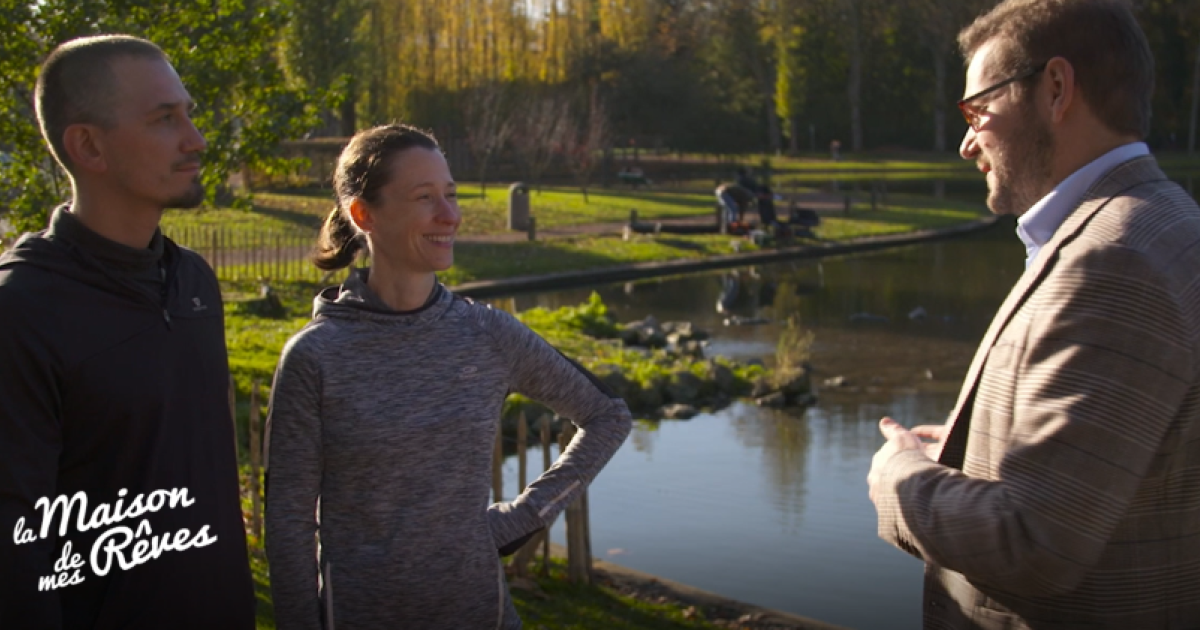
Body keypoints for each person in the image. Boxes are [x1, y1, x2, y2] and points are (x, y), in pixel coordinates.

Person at [867, 1, 1200, 627]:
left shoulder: (1114, 260)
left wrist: (898, 475)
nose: (967, 143)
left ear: (1055, 89)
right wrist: (970, 452)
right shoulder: (1166, 222)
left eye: (977, 109)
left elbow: (1035, 543)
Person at [263, 124, 632, 630]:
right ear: (364, 214)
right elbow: (288, 524)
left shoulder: (487, 333)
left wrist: (526, 516)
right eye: (425, 197)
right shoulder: (315, 356)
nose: (450, 215)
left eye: (451, 195)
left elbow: (607, 417)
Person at [0, 36, 255, 628]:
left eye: (188, 114)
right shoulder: (22, 309)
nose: (196, 139)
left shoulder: (193, 280)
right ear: (88, 145)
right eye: (165, 119)